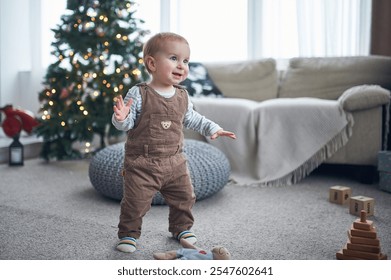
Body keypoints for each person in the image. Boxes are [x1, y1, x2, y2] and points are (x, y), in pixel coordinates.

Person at [112, 32, 236, 253]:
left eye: (185, 61)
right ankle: (129, 234)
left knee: (184, 197)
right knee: (135, 202)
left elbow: (193, 118)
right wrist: (121, 118)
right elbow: (128, 122)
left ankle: (181, 227)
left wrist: (213, 128)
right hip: (142, 163)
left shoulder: (182, 95)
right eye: (173, 58)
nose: (182, 66)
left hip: (175, 162)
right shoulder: (139, 93)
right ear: (151, 63)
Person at [153, 237, 231, 260]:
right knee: (174, 253)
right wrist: (185, 242)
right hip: (186, 252)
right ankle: (166, 256)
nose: (224, 251)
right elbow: (194, 247)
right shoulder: (205, 252)